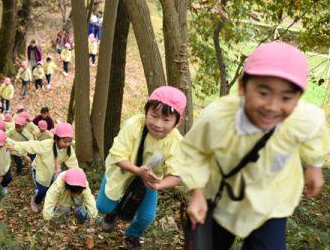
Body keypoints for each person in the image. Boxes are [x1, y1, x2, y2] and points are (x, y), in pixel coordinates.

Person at [172, 42, 330, 250]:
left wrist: (314, 166)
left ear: (298, 99)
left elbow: (316, 130)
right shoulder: (217, 118)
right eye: (263, 93)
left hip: (271, 203)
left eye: (286, 97)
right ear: (242, 88)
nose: (273, 106)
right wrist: (197, 193)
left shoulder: (303, 118)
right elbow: (194, 151)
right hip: (221, 197)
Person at [96, 86, 186, 249]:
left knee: (146, 216)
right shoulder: (133, 125)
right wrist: (138, 171)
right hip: (123, 170)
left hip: (150, 180)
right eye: (154, 116)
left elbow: (176, 175)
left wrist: (158, 184)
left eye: (166, 120)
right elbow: (117, 155)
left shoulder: (176, 142)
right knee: (103, 206)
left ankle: (132, 235)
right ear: (146, 111)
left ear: (177, 121)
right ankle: (112, 212)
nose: (158, 124)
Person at [7, 122, 79, 213]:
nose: (67, 144)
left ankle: (52, 204)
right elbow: (30, 146)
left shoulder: (69, 149)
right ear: (57, 138)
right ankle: (35, 201)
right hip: (39, 170)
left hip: (52, 171)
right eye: (65, 141)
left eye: (69, 141)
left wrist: (76, 177)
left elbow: (73, 163)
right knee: (42, 191)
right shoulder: (46, 145)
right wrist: (14, 146)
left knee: (53, 189)